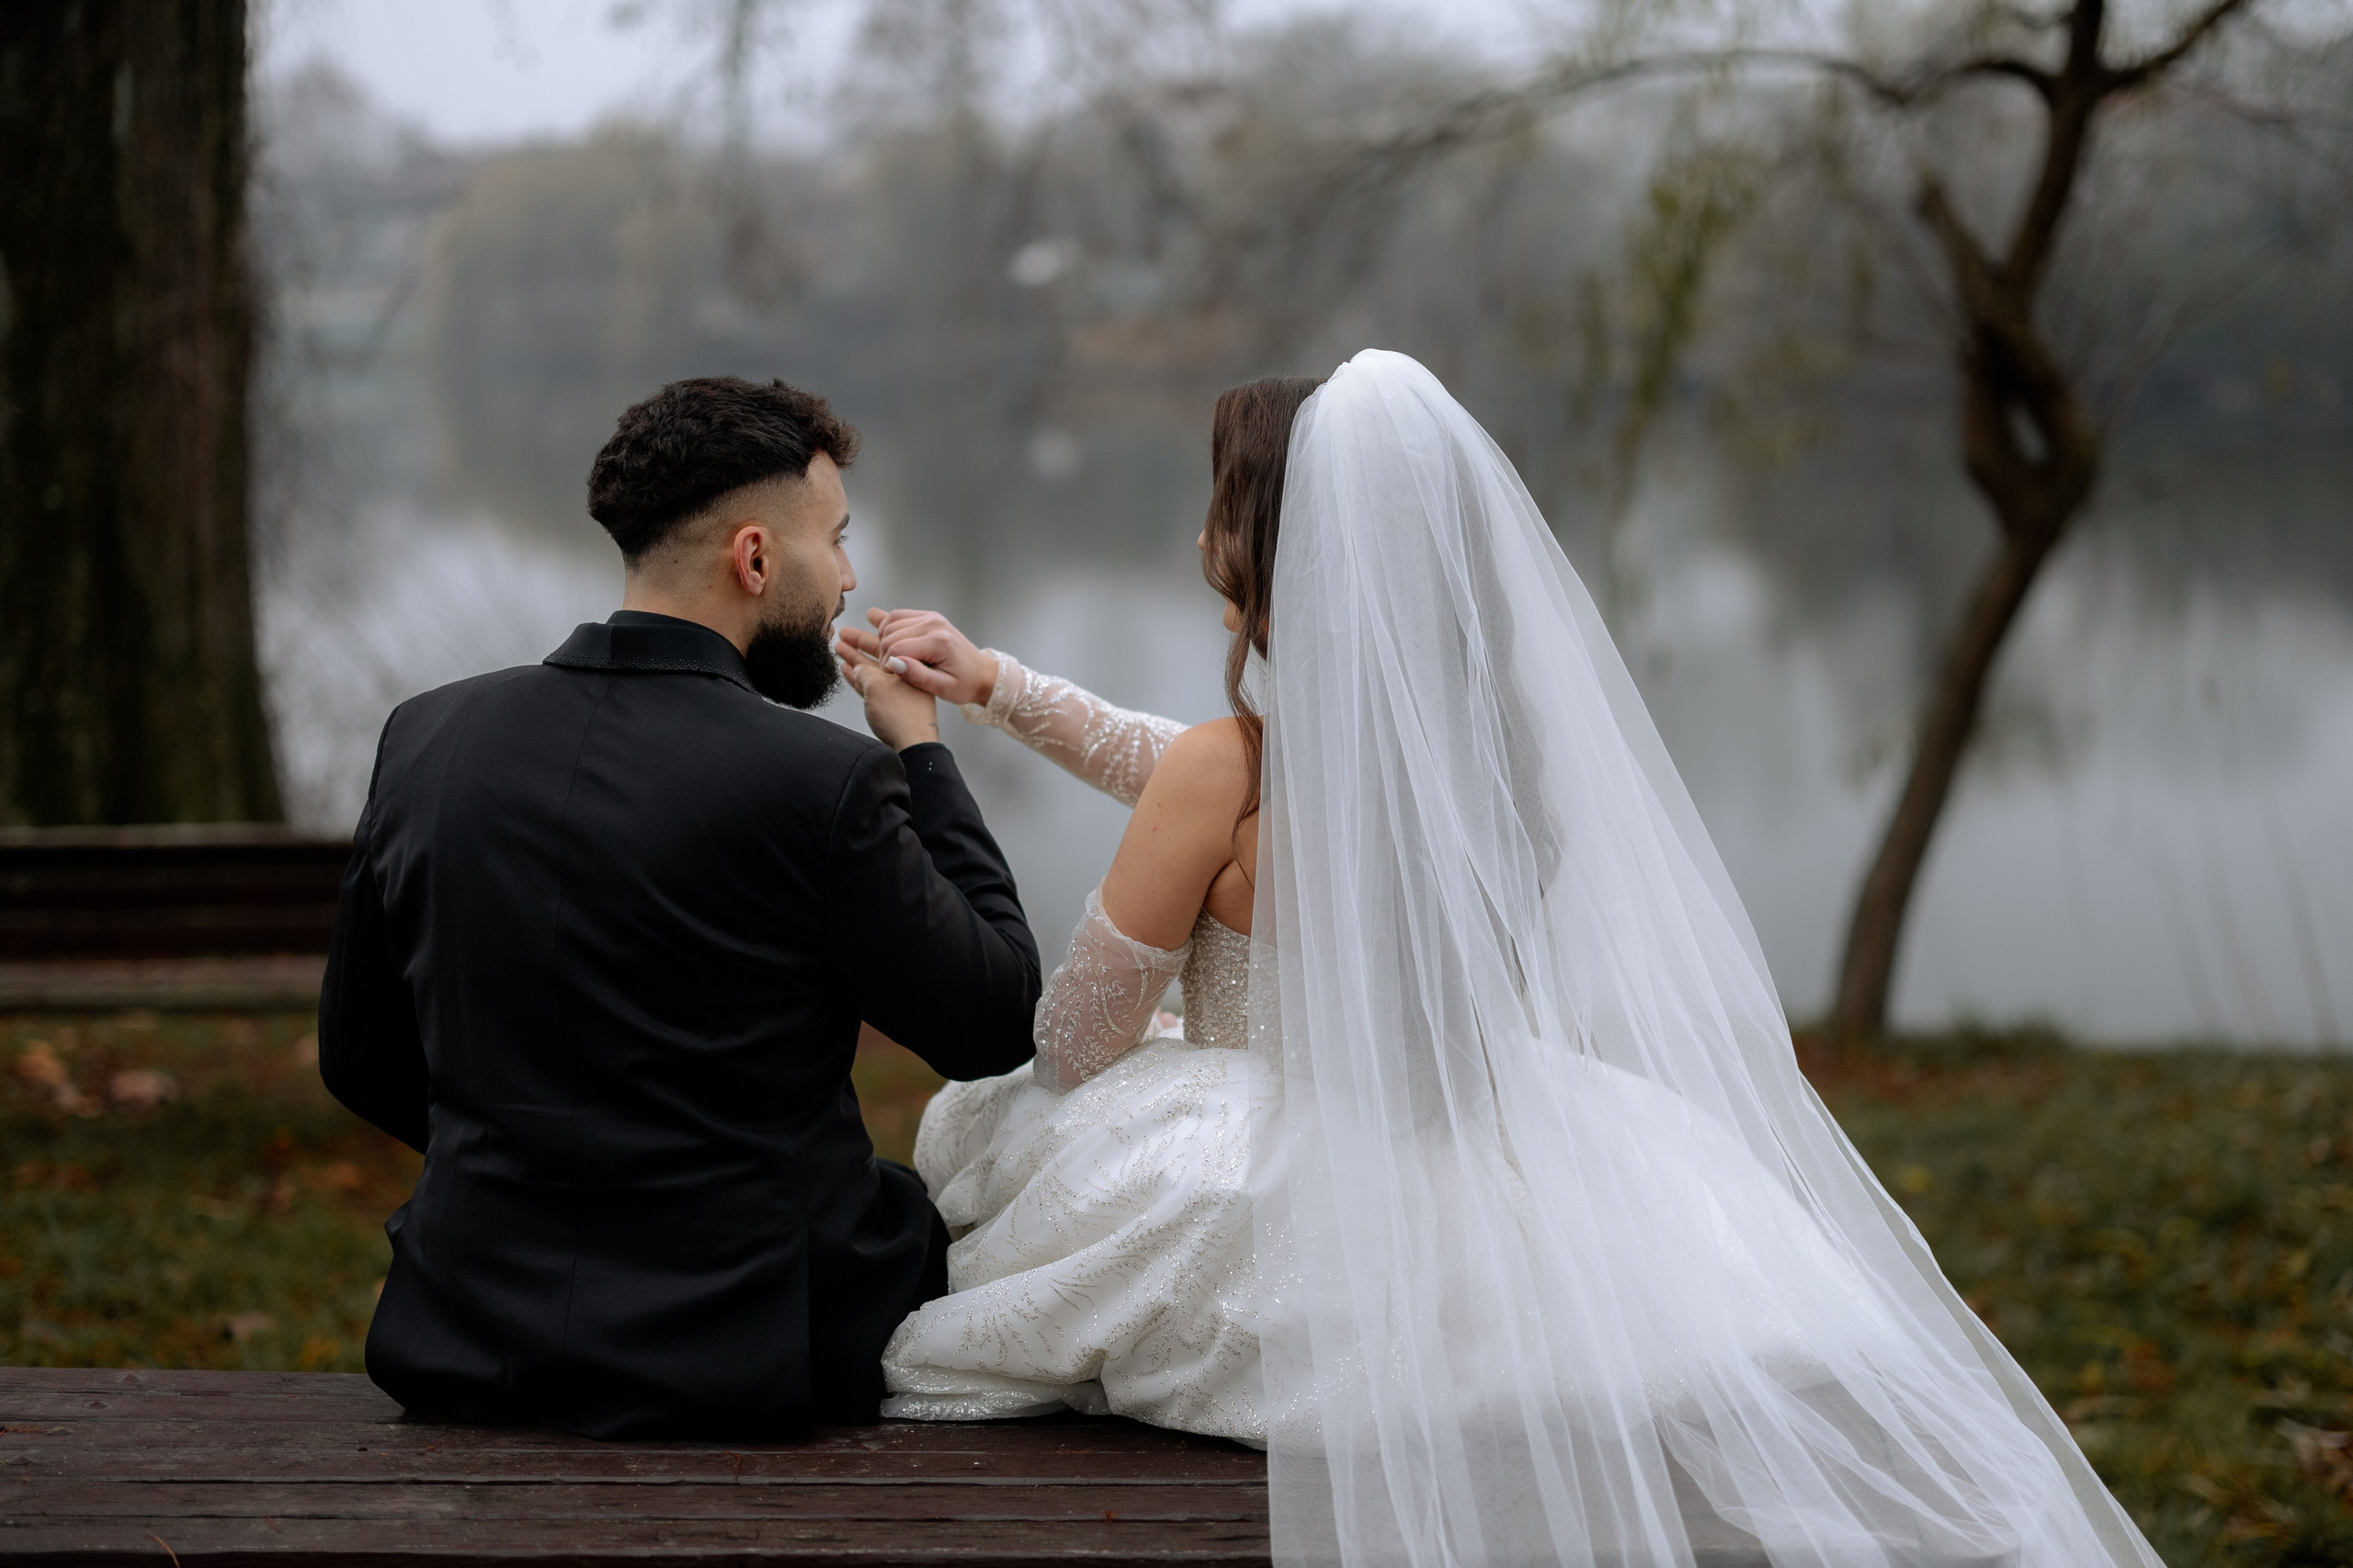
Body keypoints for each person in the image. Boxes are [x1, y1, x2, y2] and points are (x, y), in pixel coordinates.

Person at [847, 352, 2165, 1567]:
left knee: (1011, 1133)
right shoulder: (1489, 766)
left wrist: (974, 797)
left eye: (1222, 505)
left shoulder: (1226, 773)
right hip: (1477, 1130)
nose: (1199, 533)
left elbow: (1077, 1036)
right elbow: (1200, 772)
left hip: (1266, 1144)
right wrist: (1001, 682)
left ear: (1275, 545)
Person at [319, 375, 1040, 1440]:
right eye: (834, 541)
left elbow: (358, 1055)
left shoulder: (429, 736)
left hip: (467, 1332)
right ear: (753, 558)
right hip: (753, 1348)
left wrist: (544, 1170)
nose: (846, 577)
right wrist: (923, 753)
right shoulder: (820, 780)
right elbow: (992, 1018)